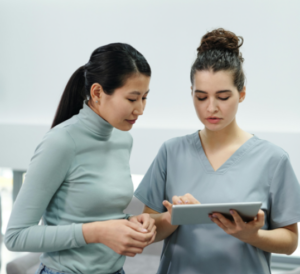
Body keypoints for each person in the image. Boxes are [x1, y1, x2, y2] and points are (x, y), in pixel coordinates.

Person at [134, 29, 300, 274]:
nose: (211, 108)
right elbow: (149, 228)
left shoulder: (273, 160)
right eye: (201, 97)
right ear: (191, 93)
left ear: (241, 94)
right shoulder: (171, 152)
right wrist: (173, 218)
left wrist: (251, 235)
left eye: (223, 97)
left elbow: (290, 242)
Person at [4, 43, 156, 274]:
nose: (141, 109)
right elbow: (16, 237)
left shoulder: (123, 140)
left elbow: (102, 214)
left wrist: (130, 222)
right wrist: (98, 232)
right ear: (97, 93)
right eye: (132, 99)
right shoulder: (61, 142)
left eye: (145, 98)